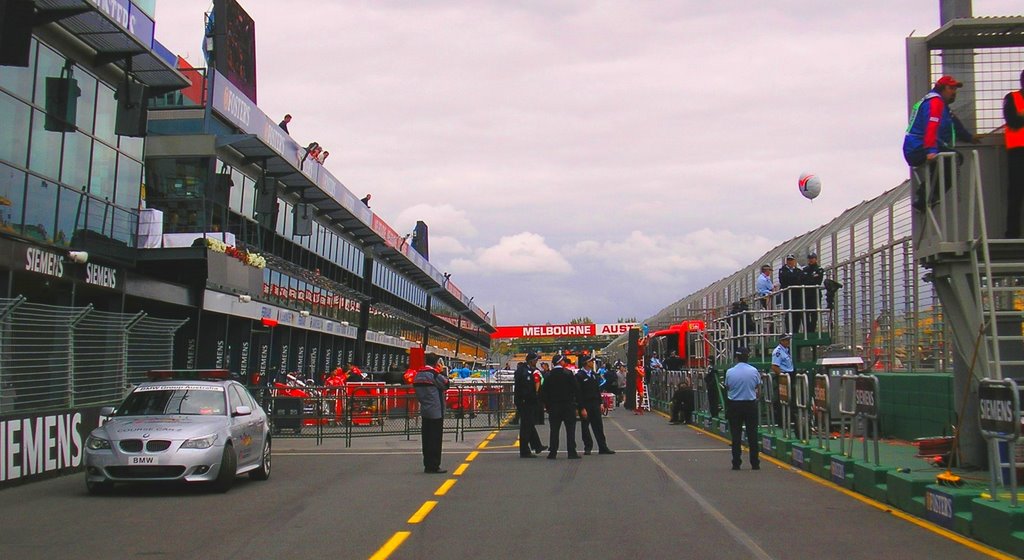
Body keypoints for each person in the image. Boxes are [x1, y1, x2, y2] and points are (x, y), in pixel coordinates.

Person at [903, 75, 975, 209]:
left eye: (955, 88)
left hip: (915, 147)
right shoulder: (935, 103)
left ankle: (927, 196)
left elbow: (954, 123)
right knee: (954, 159)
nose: (954, 92)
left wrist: (970, 137)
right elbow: (931, 126)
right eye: (951, 88)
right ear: (942, 88)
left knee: (951, 159)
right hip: (918, 148)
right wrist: (931, 150)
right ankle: (925, 197)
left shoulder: (939, 103)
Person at [725, 347, 761, 470]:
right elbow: (757, 387)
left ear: (736, 357)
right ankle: (755, 463)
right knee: (752, 434)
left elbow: (728, 387)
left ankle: (736, 463)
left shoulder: (730, 372)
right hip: (750, 404)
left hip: (734, 404)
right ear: (748, 357)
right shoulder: (754, 371)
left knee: (735, 435)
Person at [413, 353, 449, 473]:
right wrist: (442, 371)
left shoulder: (418, 375)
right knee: (435, 439)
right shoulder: (434, 374)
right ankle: (434, 465)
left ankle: (427, 464)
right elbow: (446, 384)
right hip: (436, 410)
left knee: (426, 438)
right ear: (436, 363)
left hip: (425, 409)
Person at [542, 354, 582, 459]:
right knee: (570, 429)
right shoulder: (568, 373)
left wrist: (547, 405)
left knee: (554, 430)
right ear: (561, 362)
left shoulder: (548, 375)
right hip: (568, 405)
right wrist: (578, 405)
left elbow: (544, 392)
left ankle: (553, 452)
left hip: (554, 406)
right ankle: (571, 452)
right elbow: (576, 389)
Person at [575, 355, 615, 455]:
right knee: (585, 427)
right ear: (585, 363)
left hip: (595, 404)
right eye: (590, 361)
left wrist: (601, 403)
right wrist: (581, 408)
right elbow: (578, 393)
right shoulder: (579, 376)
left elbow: (597, 390)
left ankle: (603, 447)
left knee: (598, 426)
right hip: (585, 404)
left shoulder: (593, 374)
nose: (592, 363)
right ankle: (588, 447)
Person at [1004, 69, 1024, 238]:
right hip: (1017, 151)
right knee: (1016, 192)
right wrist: (1019, 117)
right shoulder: (1011, 98)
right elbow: (1013, 121)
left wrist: (1021, 115)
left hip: (1017, 150)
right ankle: (1012, 233)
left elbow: (1017, 119)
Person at [514, 353, 545, 458]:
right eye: (535, 360)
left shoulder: (531, 370)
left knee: (529, 424)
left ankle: (537, 445)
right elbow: (525, 387)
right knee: (526, 426)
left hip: (530, 401)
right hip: (525, 401)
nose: (537, 362)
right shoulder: (523, 371)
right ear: (530, 361)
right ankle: (524, 450)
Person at [771, 333, 795, 430]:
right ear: (781, 341)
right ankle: (782, 421)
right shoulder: (778, 351)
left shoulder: (786, 350)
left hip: (789, 375)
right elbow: (775, 366)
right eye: (786, 340)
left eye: (788, 340)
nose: (788, 341)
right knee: (783, 399)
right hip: (784, 376)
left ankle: (789, 419)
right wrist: (782, 377)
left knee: (789, 398)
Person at [778, 254, 803, 334]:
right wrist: (794, 278)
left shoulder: (799, 271)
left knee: (798, 313)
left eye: (791, 260)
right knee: (788, 314)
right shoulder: (782, 270)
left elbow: (800, 280)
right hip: (787, 296)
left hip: (797, 295)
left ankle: (796, 331)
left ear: (794, 261)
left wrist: (792, 278)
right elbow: (784, 280)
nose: (790, 262)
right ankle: (789, 332)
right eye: (788, 260)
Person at [802, 252, 824, 333]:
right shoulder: (805, 269)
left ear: (816, 259)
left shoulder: (819, 269)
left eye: (812, 258)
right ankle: (807, 330)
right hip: (806, 294)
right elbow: (803, 281)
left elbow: (818, 281)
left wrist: (809, 279)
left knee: (815, 313)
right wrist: (811, 278)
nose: (811, 260)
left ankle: (812, 330)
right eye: (810, 258)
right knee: (805, 313)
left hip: (815, 294)